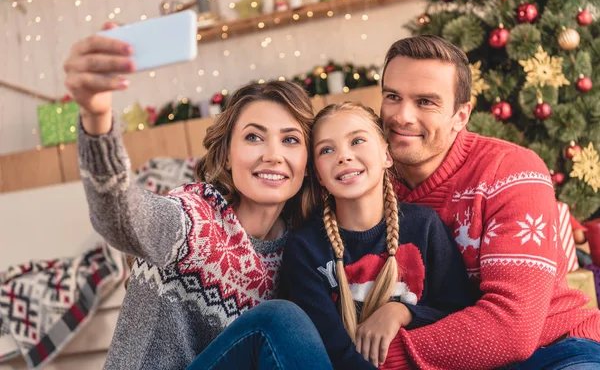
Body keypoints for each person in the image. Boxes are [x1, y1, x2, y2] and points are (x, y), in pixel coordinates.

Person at [63, 23, 332, 370]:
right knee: (279, 318)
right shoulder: (194, 218)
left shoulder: (300, 245)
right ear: (227, 155)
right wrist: (97, 116)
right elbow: (120, 214)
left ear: (308, 164)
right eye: (254, 137)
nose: (273, 154)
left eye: (291, 140)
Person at [378, 35, 600, 369]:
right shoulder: (365, 175)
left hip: (554, 349)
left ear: (461, 115)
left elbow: (513, 327)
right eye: (392, 97)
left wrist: (372, 359)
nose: (402, 116)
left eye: (426, 102)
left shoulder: (511, 170)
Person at [282, 102, 473, 369]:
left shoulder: (424, 226)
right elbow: (331, 351)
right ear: (318, 175)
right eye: (327, 149)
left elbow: (461, 315)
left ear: (386, 154)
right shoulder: (304, 249)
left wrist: (403, 312)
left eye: (357, 140)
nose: (343, 156)